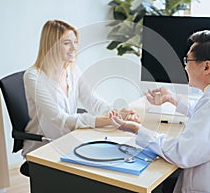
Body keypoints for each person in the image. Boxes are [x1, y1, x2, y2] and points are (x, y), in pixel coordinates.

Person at [110, 30, 210, 192]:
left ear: (206, 67)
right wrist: (172, 98)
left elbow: (181, 153)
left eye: (187, 60)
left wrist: (137, 129)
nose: (184, 65)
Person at [22, 20, 139, 175]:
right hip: (46, 146)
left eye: (75, 42)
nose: (74, 48)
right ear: (51, 45)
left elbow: (93, 101)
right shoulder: (34, 77)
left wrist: (116, 113)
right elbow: (61, 119)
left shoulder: (72, 70)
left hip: (71, 140)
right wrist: (108, 121)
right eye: (66, 43)